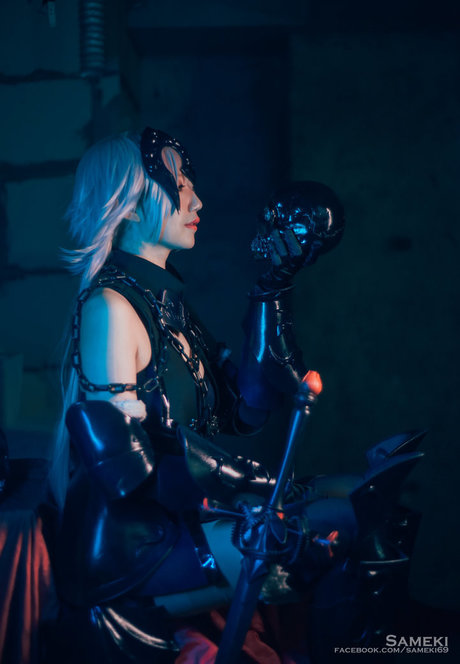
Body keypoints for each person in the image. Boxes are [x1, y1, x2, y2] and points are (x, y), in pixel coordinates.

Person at [50, 128, 419, 664]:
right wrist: (260, 487)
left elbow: (246, 407)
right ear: (128, 205)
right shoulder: (109, 307)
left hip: (184, 518)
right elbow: (125, 474)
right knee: (343, 521)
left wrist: (272, 286)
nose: (197, 199)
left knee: (369, 498)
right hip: (134, 548)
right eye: (179, 185)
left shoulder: (169, 305)